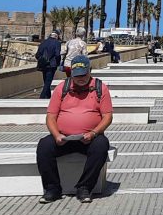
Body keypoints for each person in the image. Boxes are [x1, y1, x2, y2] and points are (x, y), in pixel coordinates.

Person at [36, 55, 113, 204]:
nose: (80, 79)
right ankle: (52, 188)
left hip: (90, 138)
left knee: (101, 146)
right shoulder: (62, 88)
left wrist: (93, 133)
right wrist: (56, 135)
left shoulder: (100, 88)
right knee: (44, 146)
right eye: (77, 76)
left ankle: (84, 187)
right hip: (64, 138)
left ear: (89, 71)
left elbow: (107, 117)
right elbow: (51, 116)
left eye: (83, 75)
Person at [35, 30, 62, 98]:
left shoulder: (43, 42)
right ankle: (42, 97)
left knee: (45, 80)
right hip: (52, 65)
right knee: (48, 82)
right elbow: (57, 54)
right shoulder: (57, 43)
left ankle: (48, 96)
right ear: (57, 36)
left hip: (43, 64)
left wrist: (42, 60)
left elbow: (37, 55)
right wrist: (57, 63)